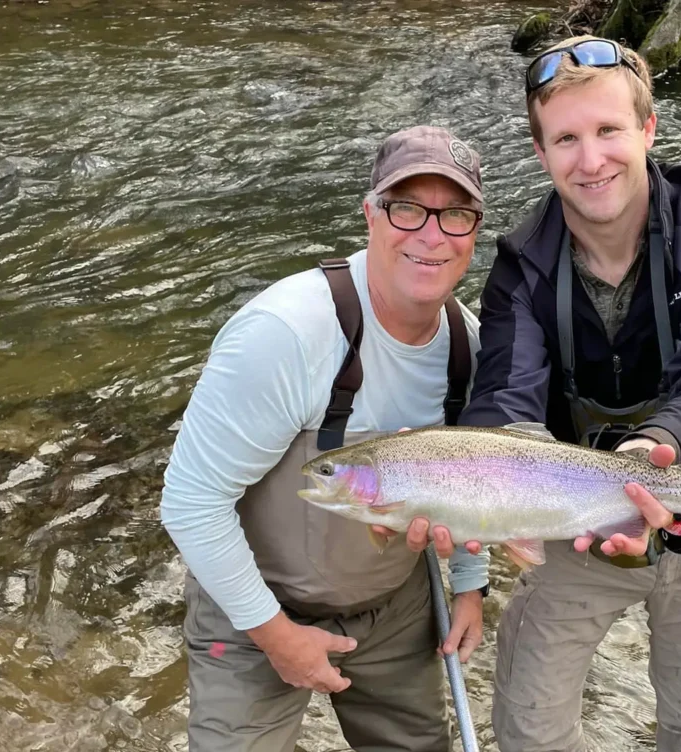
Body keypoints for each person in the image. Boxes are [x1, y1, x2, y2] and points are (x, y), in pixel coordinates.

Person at [456, 35, 681, 751]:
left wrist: (650, 452)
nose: (590, 159)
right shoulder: (520, 267)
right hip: (575, 515)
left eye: (608, 131)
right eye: (566, 138)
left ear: (648, 129)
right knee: (529, 729)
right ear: (542, 153)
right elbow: (506, 396)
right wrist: (482, 491)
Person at [160, 124, 491, 752]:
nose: (431, 234)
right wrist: (278, 638)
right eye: (407, 208)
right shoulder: (285, 334)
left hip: (394, 608)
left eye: (455, 216)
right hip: (252, 602)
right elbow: (191, 504)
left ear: (474, 233)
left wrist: (471, 584)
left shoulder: (469, 346)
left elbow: (476, 478)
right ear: (370, 214)